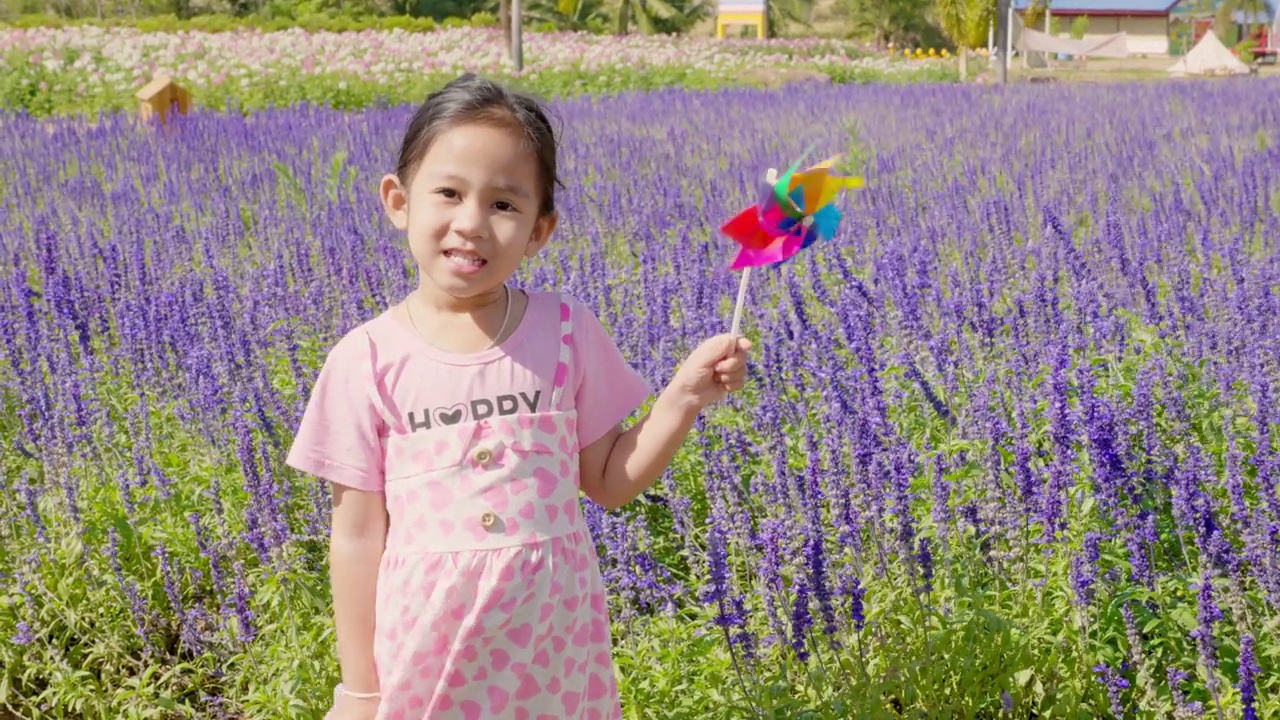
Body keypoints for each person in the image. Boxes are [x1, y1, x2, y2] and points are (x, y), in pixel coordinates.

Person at [285, 73, 752, 720]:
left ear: (540, 229)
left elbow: (609, 483)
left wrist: (682, 398)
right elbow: (358, 537)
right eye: (448, 193)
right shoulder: (364, 360)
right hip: (427, 657)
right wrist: (360, 690)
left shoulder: (565, 333)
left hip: (552, 655)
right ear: (399, 201)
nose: (472, 223)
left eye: (505, 205)